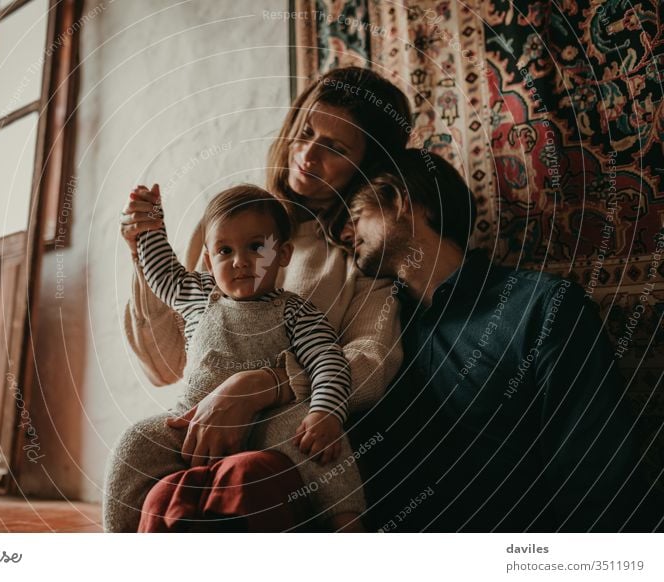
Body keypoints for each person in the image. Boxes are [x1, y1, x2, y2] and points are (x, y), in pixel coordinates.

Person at [106, 66, 413, 532]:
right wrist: (142, 250)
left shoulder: (363, 256)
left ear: (366, 166)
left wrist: (264, 386)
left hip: (283, 445)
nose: (308, 156)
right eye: (305, 132)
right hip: (196, 431)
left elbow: (370, 365)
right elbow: (163, 365)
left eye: (335, 148)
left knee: (245, 478)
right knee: (154, 481)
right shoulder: (228, 222)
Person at [342, 149, 642, 531]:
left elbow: (597, 478)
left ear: (400, 201)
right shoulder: (375, 333)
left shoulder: (542, 308)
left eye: (356, 216)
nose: (345, 235)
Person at [107, 183, 368, 532]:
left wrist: (326, 412)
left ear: (284, 254)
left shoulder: (296, 312)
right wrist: (150, 229)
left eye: (256, 247)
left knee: (317, 441)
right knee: (135, 441)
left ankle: (348, 524)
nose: (240, 261)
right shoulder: (198, 293)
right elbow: (162, 273)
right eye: (225, 250)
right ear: (207, 261)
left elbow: (327, 361)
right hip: (192, 420)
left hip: (270, 423)